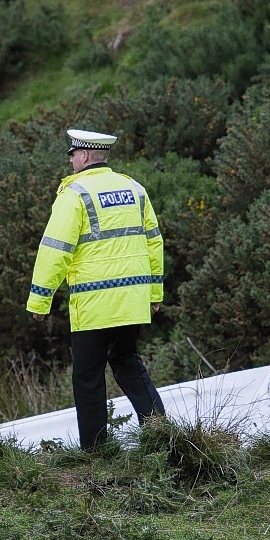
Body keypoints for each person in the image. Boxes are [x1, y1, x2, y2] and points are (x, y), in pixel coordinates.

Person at [27, 128, 165, 450]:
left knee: (87, 376)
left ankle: (96, 451)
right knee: (126, 360)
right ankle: (161, 434)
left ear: (85, 156)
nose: (71, 160)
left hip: (95, 302)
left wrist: (40, 299)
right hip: (133, 299)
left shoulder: (74, 194)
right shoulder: (135, 188)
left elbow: (55, 249)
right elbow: (154, 243)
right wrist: (155, 295)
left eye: (73, 155)